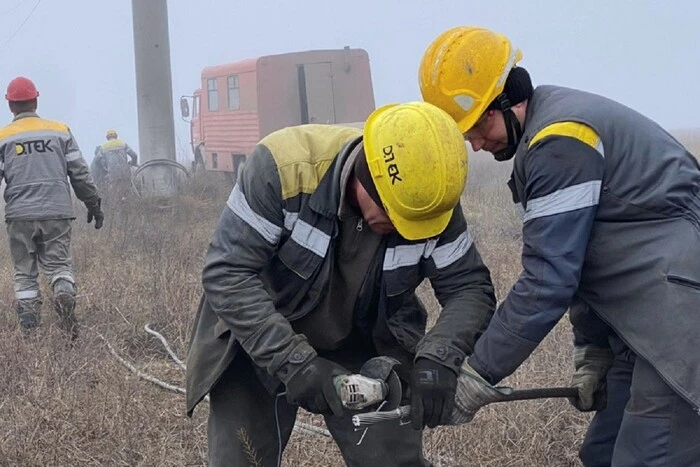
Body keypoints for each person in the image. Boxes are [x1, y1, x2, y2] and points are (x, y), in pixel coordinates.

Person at [419, 26, 700, 466]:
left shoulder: (561, 141)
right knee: (603, 455)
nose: (474, 143)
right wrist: (594, 352)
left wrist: (479, 373)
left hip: (679, 327)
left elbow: (549, 280)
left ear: (508, 101)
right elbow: (589, 259)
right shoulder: (547, 135)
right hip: (644, 330)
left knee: (645, 457)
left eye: (478, 125)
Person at [185, 102, 496, 466]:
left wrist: (438, 356)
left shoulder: (427, 200)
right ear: (367, 175)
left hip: (368, 342)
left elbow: (469, 287)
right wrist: (295, 363)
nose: (403, 230)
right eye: (396, 216)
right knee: (241, 461)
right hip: (261, 337)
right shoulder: (282, 169)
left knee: (394, 463)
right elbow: (228, 273)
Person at [0, 77, 104, 339]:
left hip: (19, 215)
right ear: (36, 100)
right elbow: (80, 174)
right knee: (59, 264)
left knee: (25, 273)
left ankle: (30, 329)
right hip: (57, 212)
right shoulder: (59, 131)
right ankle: (63, 292)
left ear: (11, 106)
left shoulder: (3, 138)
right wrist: (93, 204)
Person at [93, 129, 138, 195]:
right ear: (116, 136)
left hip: (112, 175)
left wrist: (104, 169)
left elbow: (96, 161)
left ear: (107, 138)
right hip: (125, 173)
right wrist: (132, 163)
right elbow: (134, 155)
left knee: (115, 195)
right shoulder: (123, 144)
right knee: (128, 193)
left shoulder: (103, 147)